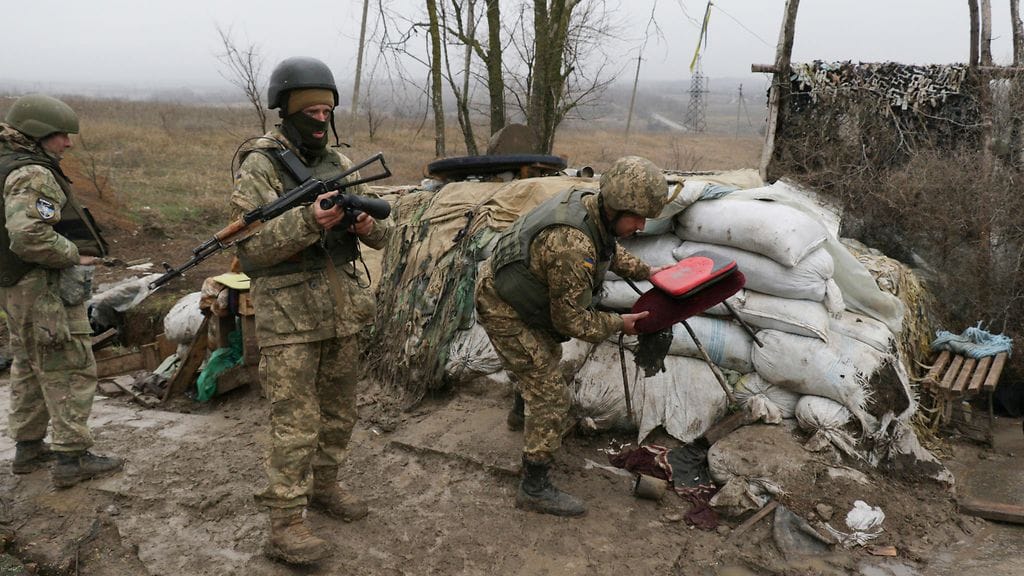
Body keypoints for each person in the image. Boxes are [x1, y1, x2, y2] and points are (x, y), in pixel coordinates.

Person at [230, 57, 391, 566]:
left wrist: (366, 228)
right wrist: (308, 222)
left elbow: (383, 231)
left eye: (328, 110)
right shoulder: (260, 164)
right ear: (288, 111)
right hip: (289, 317)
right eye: (311, 111)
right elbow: (251, 251)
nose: (321, 120)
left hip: (341, 308)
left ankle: (326, 487)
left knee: (340, 413)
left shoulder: (340, 165)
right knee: (295, 422)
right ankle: (285, 524)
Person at [474, 156, 669, 517]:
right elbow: (572, 323)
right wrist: (621, 324)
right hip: (505, 307)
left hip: (522, 292)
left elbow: (608, 250)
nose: (641, 226)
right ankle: (533, 487)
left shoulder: (589, 207)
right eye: (637, 217)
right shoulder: (572, 246)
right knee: (552, 397)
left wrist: (648, 270)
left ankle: (521, 412)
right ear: (615, 207)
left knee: (544, 359)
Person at [0, 94, 122, 487]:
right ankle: (72, 458)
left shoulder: (6, 164)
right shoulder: (32, 173)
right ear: (39, 134)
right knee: (68, 365)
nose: (68, 143)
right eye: (62, 136)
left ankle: (29, 447)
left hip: (15, 287)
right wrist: (73, 255)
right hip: (42, 288)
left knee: (28, 366)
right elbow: (29, 236)